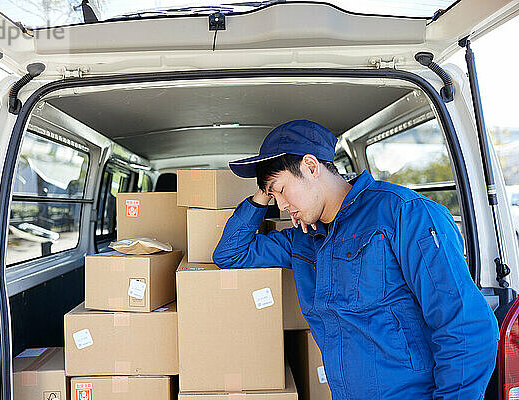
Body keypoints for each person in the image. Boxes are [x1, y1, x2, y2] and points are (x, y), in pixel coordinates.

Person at [212, 120, 499, 400]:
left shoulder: (404, 214)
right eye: (273, 196)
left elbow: (466, 326)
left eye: (282, 190)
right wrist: (264, 187)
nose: (282, 206)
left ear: (311, 167)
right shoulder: (302, 241)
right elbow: (230, 253)